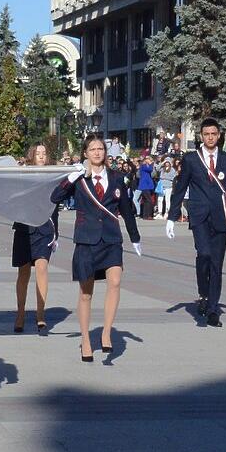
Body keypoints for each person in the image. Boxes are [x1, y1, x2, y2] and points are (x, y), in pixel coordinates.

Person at [50, 135, 141, 362]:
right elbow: (55, 197)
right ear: (85, 153)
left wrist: (135, 237)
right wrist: (70, 178)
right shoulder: (80, 180)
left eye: (101, 148)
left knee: (116, 282)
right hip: (87, 241)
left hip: (111, 239)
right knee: (86, 293)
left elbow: (126, 209)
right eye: (93, 149)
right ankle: (86, 340)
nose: (98, 152)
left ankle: (106, 332)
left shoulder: (117, 178)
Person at [165, 118, 226, 327]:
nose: (210, 137)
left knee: (217, 264)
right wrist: (172, 215)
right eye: (207, 134)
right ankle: (203, 293)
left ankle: (213, 309)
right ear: (201, 136)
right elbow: (180, 187)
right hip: (199, 216)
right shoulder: (192, 159)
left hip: (221, 216)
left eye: (214, 134)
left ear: (219, 134)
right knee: (204, 254)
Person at [12, 142, 58, 335]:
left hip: (44, 228)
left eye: (44, 153)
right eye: (37, 153)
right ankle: (20, 313)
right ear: (31, 155)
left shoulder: (53, 176)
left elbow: (56, 203)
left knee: (42, 267)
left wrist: (56, 233)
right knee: (23, 273)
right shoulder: (22, 175)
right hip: (24, 227)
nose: (41, 156)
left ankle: (40, 314)